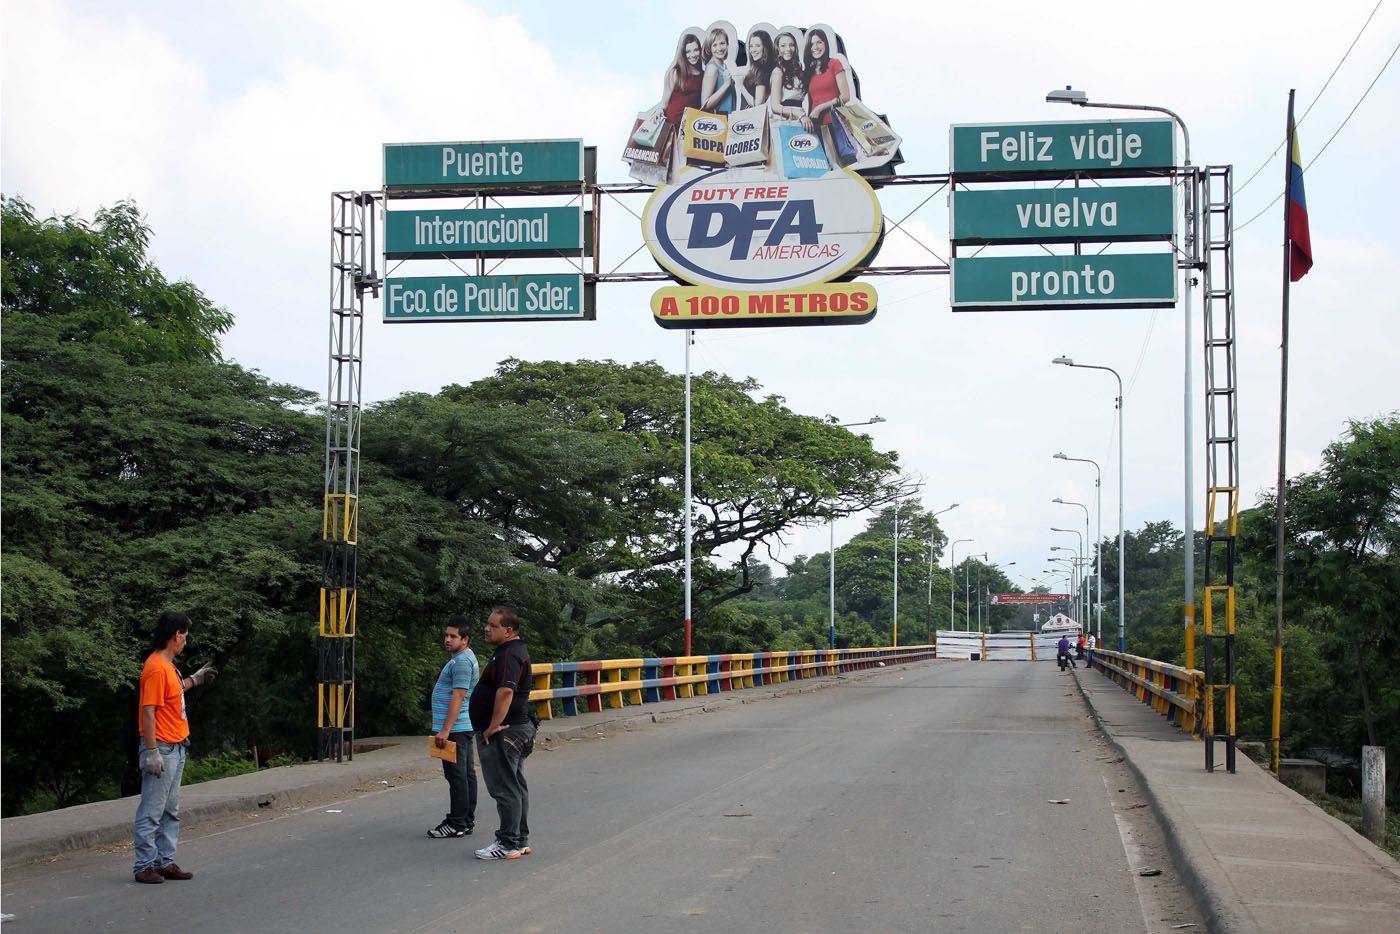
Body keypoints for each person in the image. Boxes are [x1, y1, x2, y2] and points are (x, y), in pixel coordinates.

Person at [132, 611, 216, 884]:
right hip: (163, 749)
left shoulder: (167, 667)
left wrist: (195, 679)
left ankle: (164, 862)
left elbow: (174, 691)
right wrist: (152, 750)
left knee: (170, 810)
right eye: (185, 636)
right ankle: (144, 866)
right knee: (152, 810)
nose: (186, 642)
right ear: (175, 635)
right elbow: (148, 711)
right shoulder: (155, 668)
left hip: (176, 747)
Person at [470, 607, 536, 861]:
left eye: (493, 625)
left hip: (506, 732)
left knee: (505, 789)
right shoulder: (511, 651)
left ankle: (508, 843)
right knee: (516, 785)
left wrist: (493, 725)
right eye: (487, 624)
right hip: (517, 728)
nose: (486, 628)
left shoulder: (510, 654)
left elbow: (506, 691)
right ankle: (519, 840)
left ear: (508, 630)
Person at [427, 616, 480, 838]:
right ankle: (465, 820)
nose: (447, 639)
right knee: (465, 775)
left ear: (465, 639)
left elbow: (458, 696)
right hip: (460, 727)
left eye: (453, 636)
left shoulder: (461, 662)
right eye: (446, 635)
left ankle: (457, 822)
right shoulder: (463, 658)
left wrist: (445, 729)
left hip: (456, 729)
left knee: (457, 776)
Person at [802, 27, 851, 127]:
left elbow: (845, 96)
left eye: (819, 42)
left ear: (825, 43)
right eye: (812, 44)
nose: (815, 47)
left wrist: (820, 108)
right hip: (816, 124)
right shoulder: (809, 71)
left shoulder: (834, 64)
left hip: (836, 122)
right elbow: (811, 102)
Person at [661, 31, 704, 127]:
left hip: (690, 126)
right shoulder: (676, 72)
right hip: (672, 124)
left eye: (696, 50)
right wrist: (659, 111)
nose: (692, 55)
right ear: (683, 53)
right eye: (688, 51)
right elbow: (664, 102)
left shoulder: (704, 76)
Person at [768, 30, 808, 127]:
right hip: (783, 122)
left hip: (798, 121)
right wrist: (798, 113)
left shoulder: (798, 72)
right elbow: (775, 106)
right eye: (783, 46)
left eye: (791, 45)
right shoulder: (778, 71)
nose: (788, 49)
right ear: (777, 49)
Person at [699, 26, 736, 114]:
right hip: (717, 123)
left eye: (722, 43)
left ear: (727, 45)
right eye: (715, 45)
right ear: (710, 48)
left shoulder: (723, 66)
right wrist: (726, 85)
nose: (719, 48)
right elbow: (705, 104)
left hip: (726, 120)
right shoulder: (712, 68)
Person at [740, 29, 774, 108]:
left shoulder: (762, 71)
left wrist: (741, 86)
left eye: (758, 46)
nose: (753, 50)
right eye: (751, 46)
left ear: (765, 47)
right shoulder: (758, 68)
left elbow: (758, 104)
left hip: (753, 118)